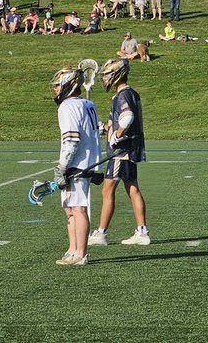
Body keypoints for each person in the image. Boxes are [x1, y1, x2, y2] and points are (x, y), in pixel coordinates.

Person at [88, 57, 149, 247]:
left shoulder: (122, 95)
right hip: (130, 149)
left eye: (107, 74)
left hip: (121, 152)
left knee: (108, 190)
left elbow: (127, 117)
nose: (104, 78)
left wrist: (117, 135)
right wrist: (107, 128)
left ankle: (101, 233)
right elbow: (122, 120)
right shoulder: (131, 93)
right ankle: (142, 231)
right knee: (132, 189)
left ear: (116, 74)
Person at [50, 65, 102, 266]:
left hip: (77, 164)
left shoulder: (68, 106)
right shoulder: (88, 104)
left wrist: (62, 167)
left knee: (78, 209)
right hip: (87, 162)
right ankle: (72, 249)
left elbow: (71, 140)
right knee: (70, 209)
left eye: (57, 85)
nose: (55, 89)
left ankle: (81, 252)